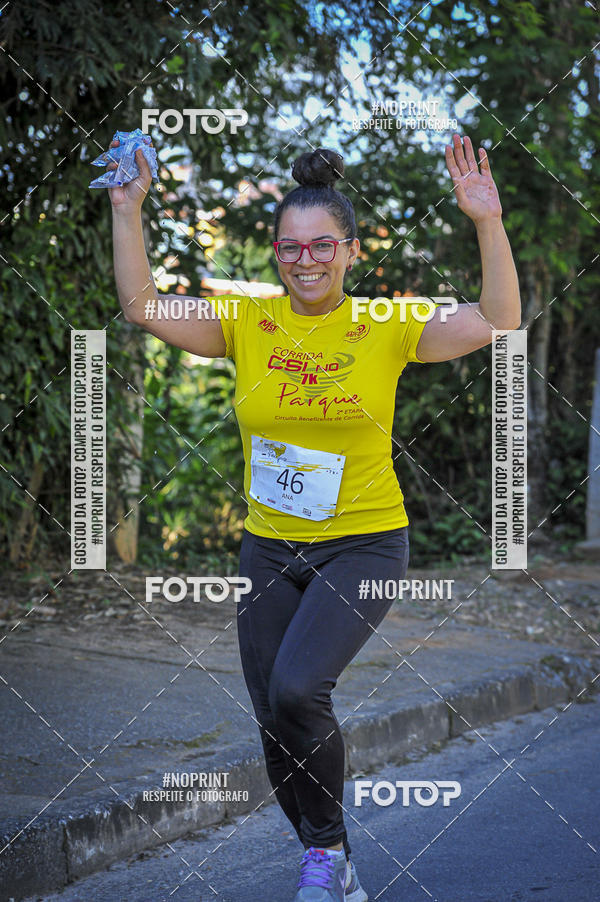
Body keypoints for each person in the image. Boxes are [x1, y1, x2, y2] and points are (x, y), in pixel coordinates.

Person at [108, 133, 520, 901]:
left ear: (351, 251)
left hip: (363, 546)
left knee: (299, 691)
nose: (306, 261)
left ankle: (326, 854)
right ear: (276, 254)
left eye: (322, 245)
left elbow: (498, 318)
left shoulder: (386, 323)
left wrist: (486, 221)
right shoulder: (246, 322)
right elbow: (142, 307)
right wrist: (128, 208)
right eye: (291, 248)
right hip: (268, 549)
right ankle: (333, 862)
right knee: (274, 722)